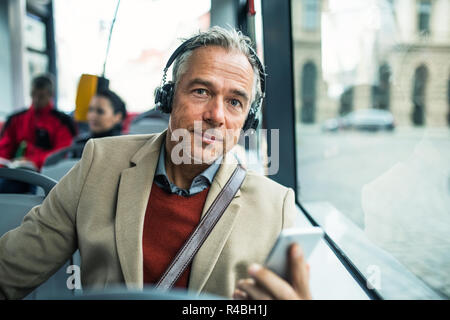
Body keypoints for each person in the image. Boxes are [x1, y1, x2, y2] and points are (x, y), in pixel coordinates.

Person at [0, 27, 311, 300]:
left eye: (234, 102)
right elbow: (10, 269)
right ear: (168, 97)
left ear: (248, 120)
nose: (217, 115)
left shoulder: (275, 207)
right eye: (201, 92)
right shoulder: (99, 164)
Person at [0, 74, 76, 193]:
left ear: (51, 95)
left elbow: (61, 153)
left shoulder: (63, 122)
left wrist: (33, 161)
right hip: (17, 172)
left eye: (41, 96)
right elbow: (5, 148)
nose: (35, 100)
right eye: (33, 95)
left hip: (46, 174)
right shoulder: (16, 119)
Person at [71, 89, 127, 157]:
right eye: (90, 110)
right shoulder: (79, 143)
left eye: (100, 111)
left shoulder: (125, 145)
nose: (92, 116)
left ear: (118, 117)